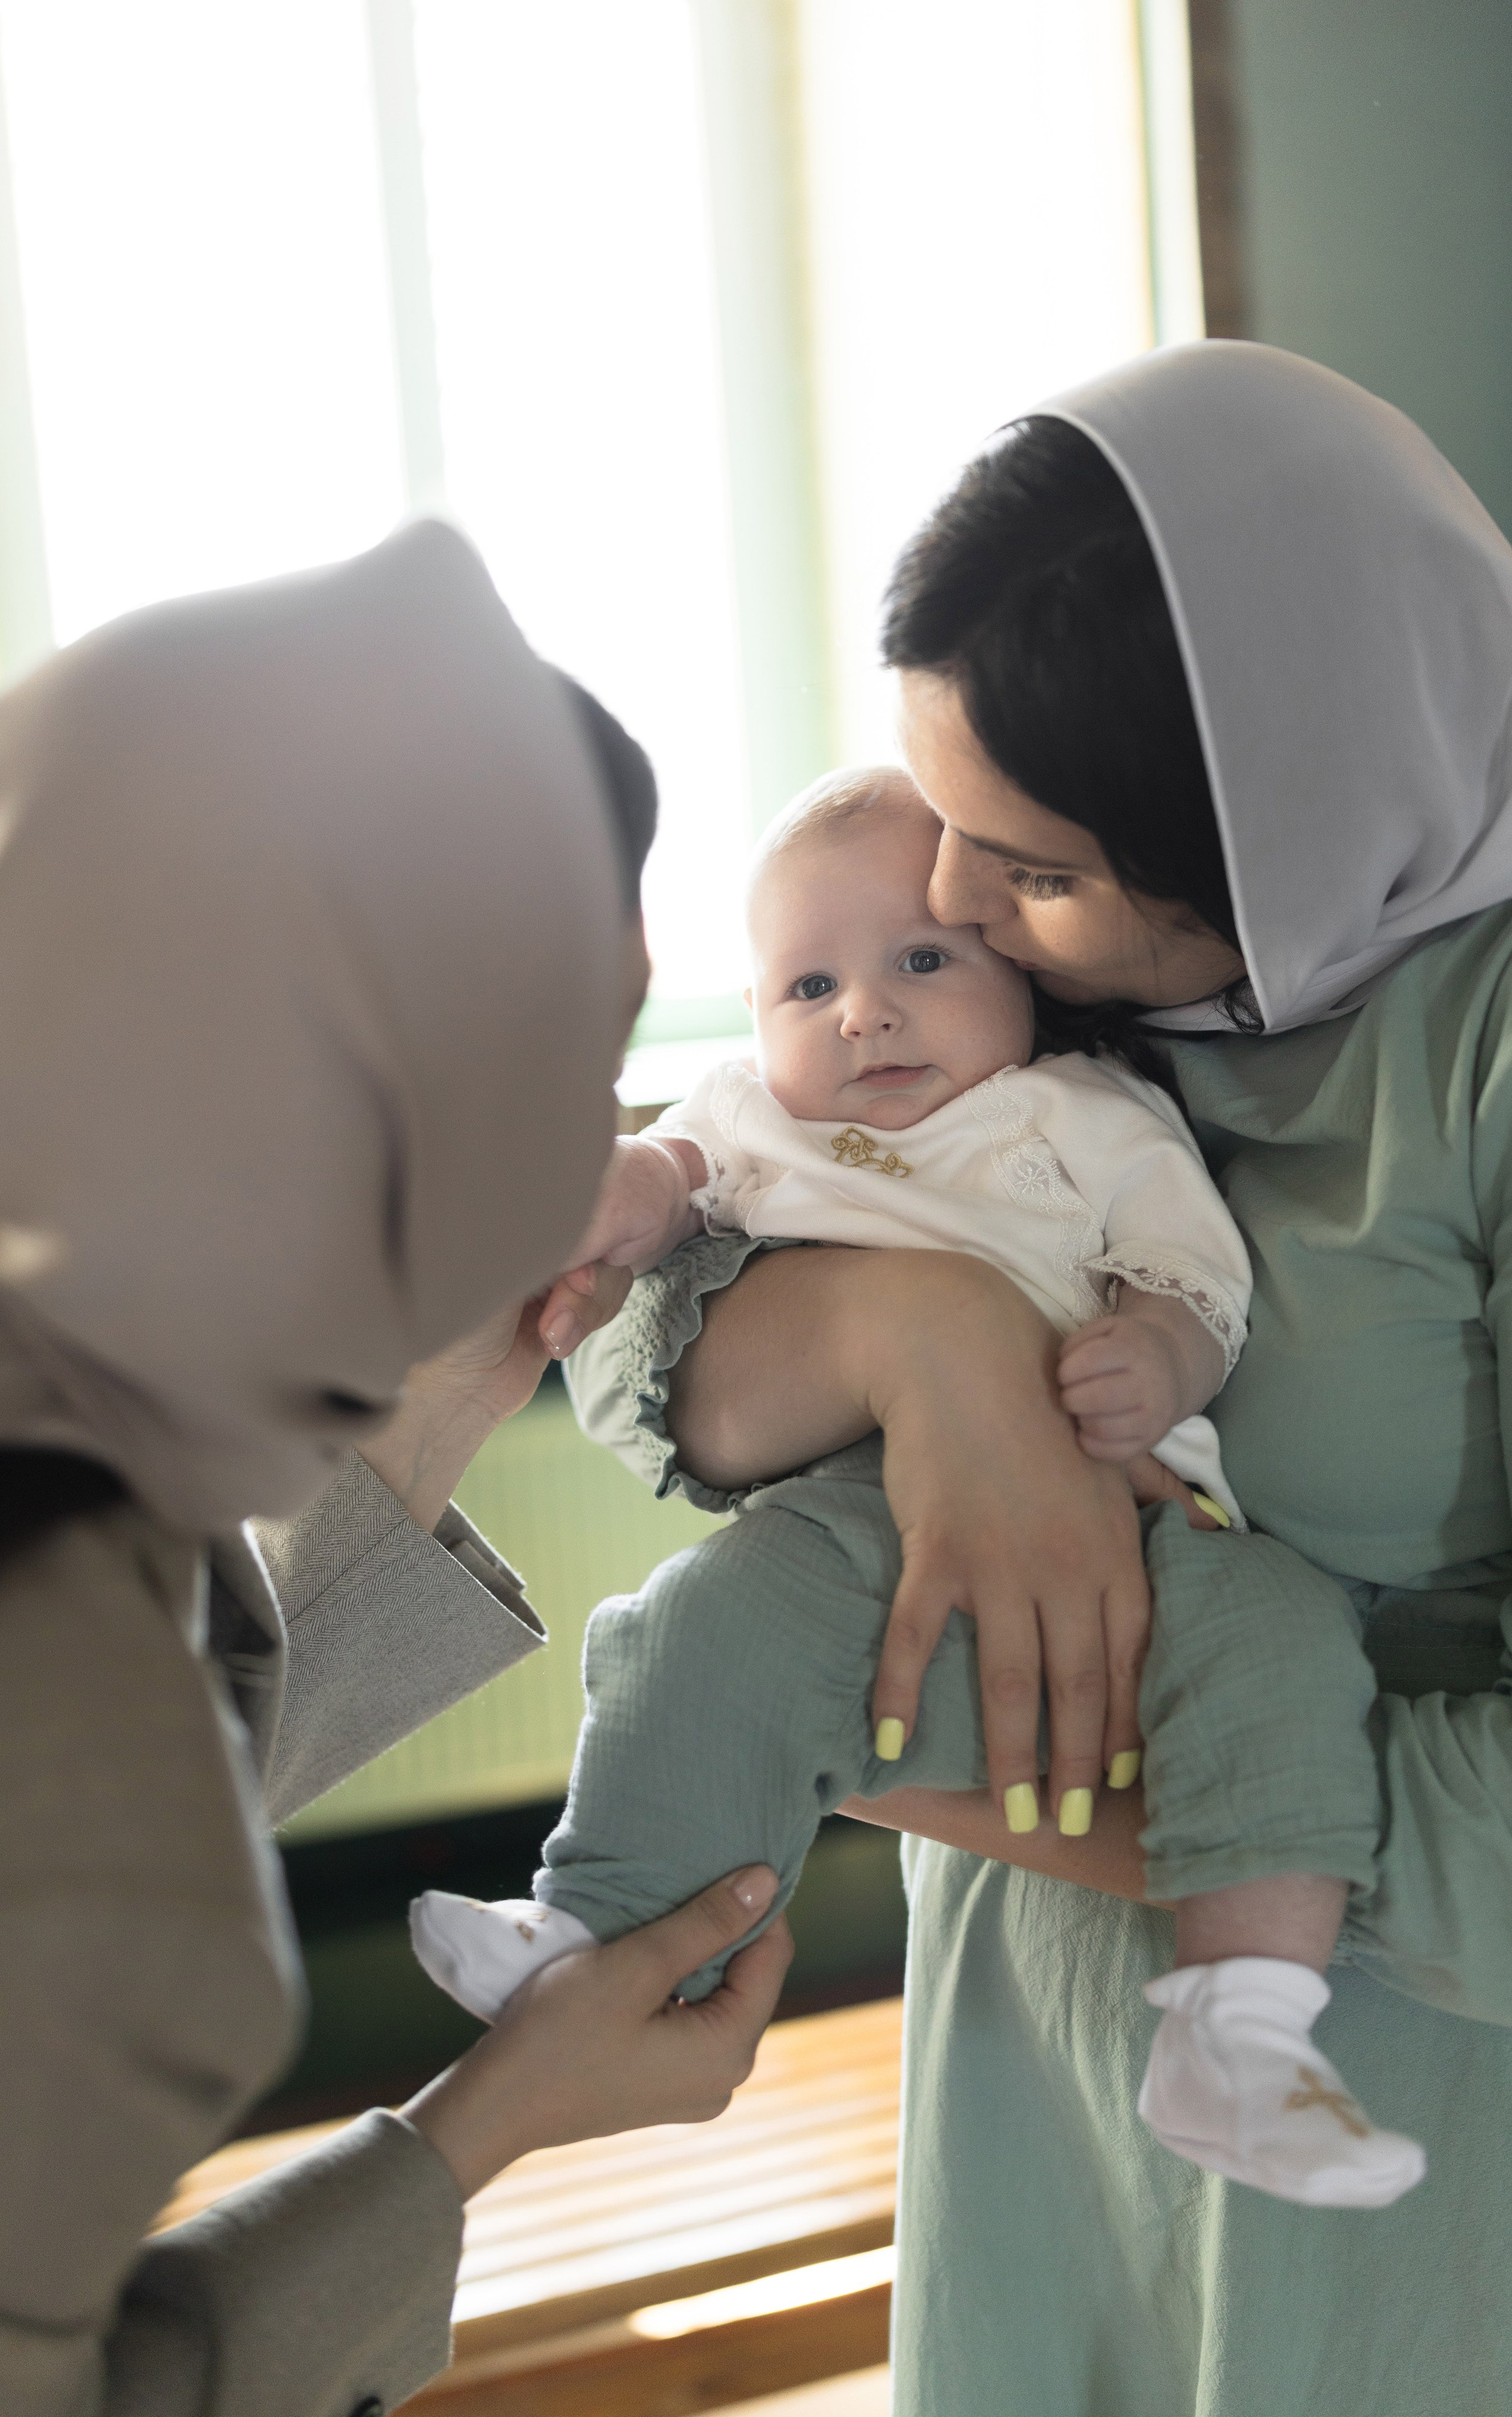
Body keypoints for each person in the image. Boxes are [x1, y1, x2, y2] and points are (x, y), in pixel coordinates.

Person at [557, 342, 1512, 2413]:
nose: (948, 905)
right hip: (1030, 2064)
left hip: (1405, 2100)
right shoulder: (1067, 983)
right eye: (950, 830)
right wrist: (935, 1350)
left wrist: (908, 1765)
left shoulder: (1472, 1049)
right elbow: (660, 1379)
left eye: (1035, 869)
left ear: (1271, 823)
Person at [0, 522, 791, 2417]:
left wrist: (434, 1364)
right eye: (563, 1065)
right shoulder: (60, 1796)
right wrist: (489, 2120)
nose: (599, 1148)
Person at [411, 761, 1420, 2205]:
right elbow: (673, 1172)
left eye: (920, 962)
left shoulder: (1081, 1115)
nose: (861, 1012)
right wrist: (632, 1185)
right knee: (698, 1628)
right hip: (853, 1517)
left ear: (1016, 974)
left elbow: (1191, 1276)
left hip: (1150, 1526)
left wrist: (1156, 1349)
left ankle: (1241, 2025)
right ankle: (587, 1925)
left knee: (1287, 1649)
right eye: (804, 985)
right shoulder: (766, 1113)